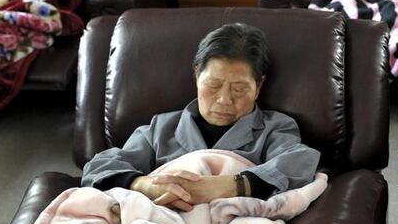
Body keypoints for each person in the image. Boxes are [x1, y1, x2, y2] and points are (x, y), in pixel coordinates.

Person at [82, 23, 320, 211]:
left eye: (239, 89)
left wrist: (228, 186)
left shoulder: (275, 128)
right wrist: (145, 185)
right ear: (196, 76)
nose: (224, 99)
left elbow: (300, 161)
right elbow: (99, 166)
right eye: (213, 85)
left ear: (258, 87)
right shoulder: (160, 129)